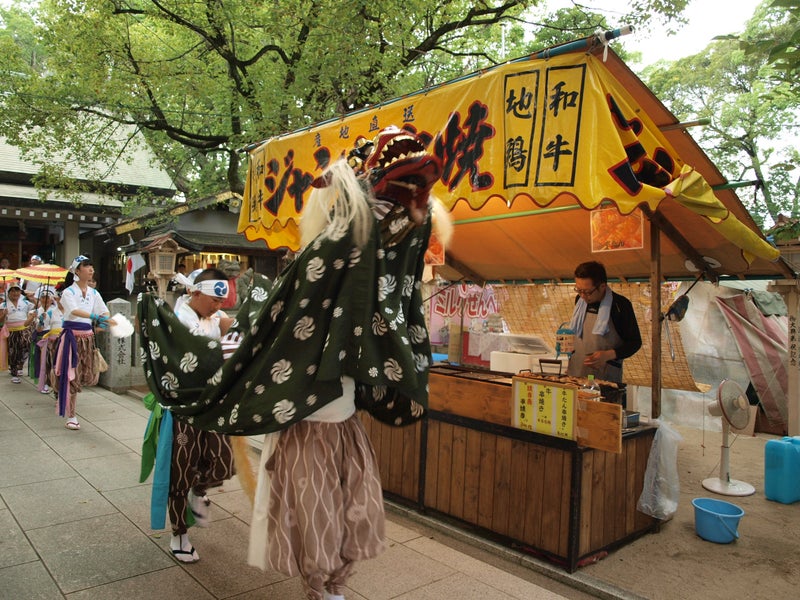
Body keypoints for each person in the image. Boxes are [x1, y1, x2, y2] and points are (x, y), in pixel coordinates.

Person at [166, 267, 236, 563]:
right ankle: (178, 533)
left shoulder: (214, 316)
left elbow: (230, 330)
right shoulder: (179, 318)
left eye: (222, 302)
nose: (218, 307)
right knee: (181, 469)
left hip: (211, 404)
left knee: (223, 460)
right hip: (185, 406)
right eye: (214, 301)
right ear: (195, 292)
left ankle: (200, 489)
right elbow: (203, 354)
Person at [55, 255, 114, 430]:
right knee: (72, 375)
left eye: (91, 266)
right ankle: (71, 415)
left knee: (85, 376)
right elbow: (74, 310)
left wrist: (104, 319)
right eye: (86, 266)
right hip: (71, 338)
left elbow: (104, 311)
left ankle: (63, 397)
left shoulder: (94, 293)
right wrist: (95, 316)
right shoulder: (68, 292)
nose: (91, 269)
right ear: (77, 271)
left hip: (88, 338)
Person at [566, 261, 642, 384]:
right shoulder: (579, 300)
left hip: (605, 377)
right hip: (576, 374)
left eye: (587, 291)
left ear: (602, 286)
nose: (583, 296)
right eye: (579, 290)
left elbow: (634, 343)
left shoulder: (620, 305)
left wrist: (608, 355)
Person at [0, 283, 35, 383]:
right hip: (11, 331)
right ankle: (14, 372)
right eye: (13, 291)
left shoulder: (25, 302)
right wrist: (4, 314)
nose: (15, 293)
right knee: (13, 351)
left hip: (24, 328)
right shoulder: (3, 305)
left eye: (17, 290)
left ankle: (20, 364)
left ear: (20, 292)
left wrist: (33, 299)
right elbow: (1, 320)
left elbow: (35, 309)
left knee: (27, 345)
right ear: (9, 292)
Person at [33, 286, 62, 394]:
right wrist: (41, 320)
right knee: (48, 363)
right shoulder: (51, 312)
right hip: (52, 342)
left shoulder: (71, 312)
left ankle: (61, 386)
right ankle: (47, 383)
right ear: (57, 299)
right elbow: (39, 328)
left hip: (65, 341)